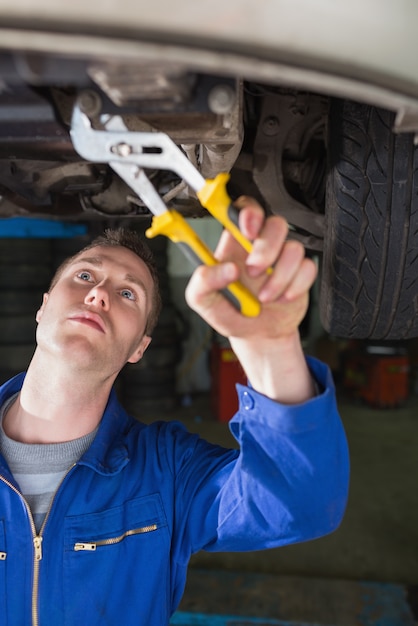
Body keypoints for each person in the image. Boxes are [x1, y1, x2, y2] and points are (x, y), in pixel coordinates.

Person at [0, 197, 349, 625]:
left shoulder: (166, 472)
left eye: (128, 293)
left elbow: (302, 502)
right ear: (42, 307)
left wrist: (272, 347)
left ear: (140, 348)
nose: (98, 294)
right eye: (85, 275)